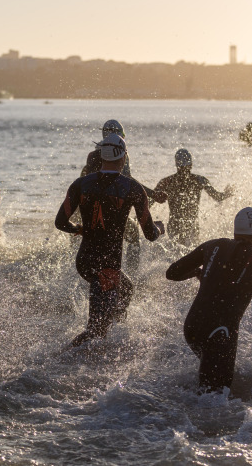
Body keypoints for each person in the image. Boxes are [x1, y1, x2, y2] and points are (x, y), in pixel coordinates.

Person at [166, 207, 252, 394]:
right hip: (220, 332)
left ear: (234, 231)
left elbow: (172, 273)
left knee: (207, 383)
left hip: (192, 326)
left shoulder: (211, 245)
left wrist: (198, 273)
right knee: (214, 401)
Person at [56, 133, 165, 347]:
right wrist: (160, 228)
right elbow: (150, 234)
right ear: (124, 158)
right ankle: (59, 362)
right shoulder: (132, 188)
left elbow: (60, 222)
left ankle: (111, 337)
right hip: (107, 266)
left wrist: (80, 229)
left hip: (85, 261)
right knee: (96, 332)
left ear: (101, 156)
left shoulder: (80, 184)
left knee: (126, 289)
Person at [80, 120, 167, 270]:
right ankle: (133, 273)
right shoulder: (120, 154)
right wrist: (153, 195)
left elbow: (86, 184)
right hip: (111, 212)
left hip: (90, 213)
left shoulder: (91, 158)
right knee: (133, 236)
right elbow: (127, 181)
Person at [154, 148, 234, 246]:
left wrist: (141, 218)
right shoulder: (199, 180)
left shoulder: (167, 181)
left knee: (175, 252)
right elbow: (218, 197)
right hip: (191, 225)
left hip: (174, 225)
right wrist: (228, 193)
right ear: (191, 164)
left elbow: (149, 200)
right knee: (193, 254)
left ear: (176, 164)